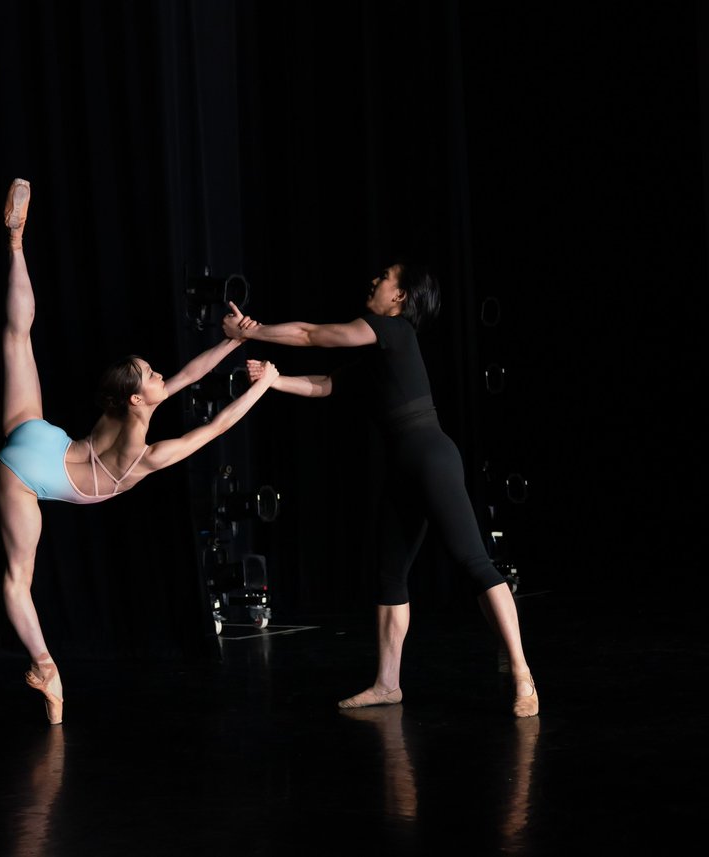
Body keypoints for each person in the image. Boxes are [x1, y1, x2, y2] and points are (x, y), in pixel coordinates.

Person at [0, 178, 279, 725]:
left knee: (17, 337)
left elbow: (191, 374)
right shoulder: (143, 454)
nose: (160, 375)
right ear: (136, 396)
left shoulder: (128, 408)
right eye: (153, 374)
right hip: (35, 476)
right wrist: (261, 386)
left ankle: (15, 245)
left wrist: (233, 341)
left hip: (41, 442)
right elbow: (216, 427)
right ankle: (46, 667)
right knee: (15, 582)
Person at [222, 262, 538, 717]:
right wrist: (274, 382)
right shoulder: (375, 350)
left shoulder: (392, 330)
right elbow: (326, 385)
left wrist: (251, 332)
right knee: (390, 576)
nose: (374, 281)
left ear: (400, 298)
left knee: (474, 562)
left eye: (385, 278)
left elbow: (311, 335)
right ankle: (388, 684)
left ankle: (524, 675)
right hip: (403, 468)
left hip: (431, 458)